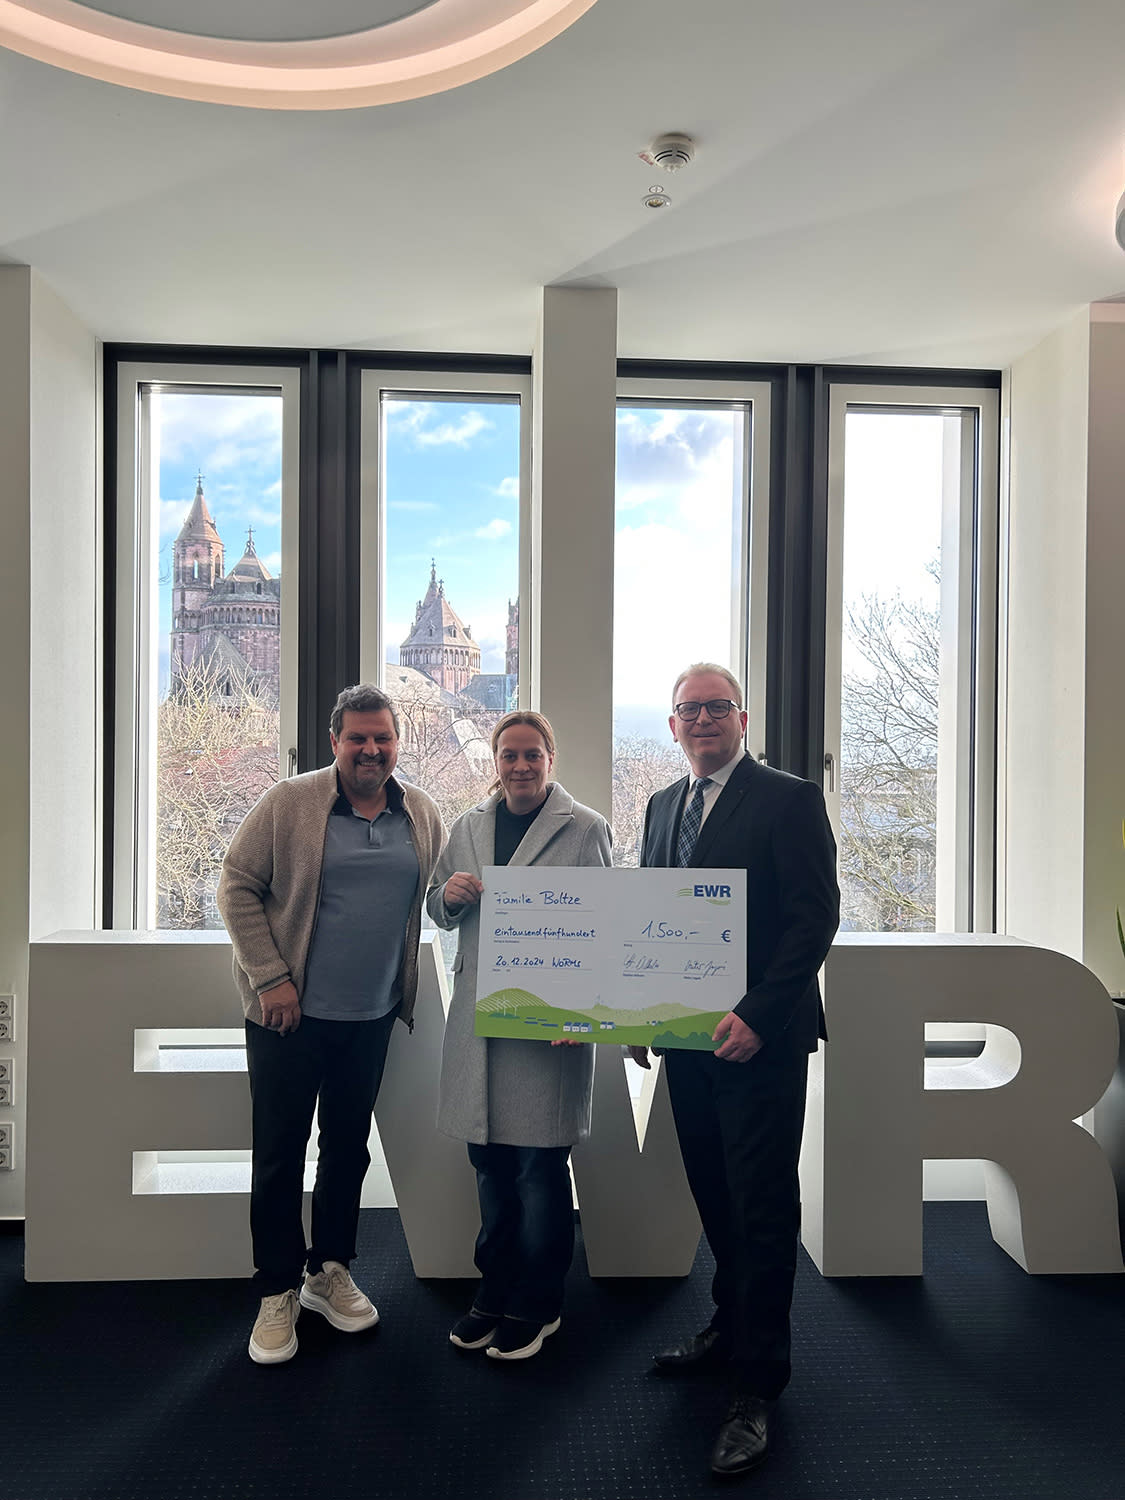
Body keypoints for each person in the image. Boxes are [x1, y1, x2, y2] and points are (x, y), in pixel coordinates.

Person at [632, 663, 839, 1477]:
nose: (702, 719)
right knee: (714, 1192)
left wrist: (758, 1014)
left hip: (760, 1042)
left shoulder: (788, 799)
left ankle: (757, 1384)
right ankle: (728, 1327)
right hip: (686, 1040)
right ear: (672, 725)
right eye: (688, 710)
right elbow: (650, 919)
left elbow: (812, 919)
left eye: (717, 706)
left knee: (761, 1206)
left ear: (741, 719)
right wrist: (639, 1017)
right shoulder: (660, 806)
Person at [217, 683, 444, 1365]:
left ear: (397, 742)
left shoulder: (421, 810)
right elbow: (235, 885)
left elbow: (434, 895)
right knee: (280, 1153)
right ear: (335, 741)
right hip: (287, 1017)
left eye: (383, 738)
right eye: (357, 738)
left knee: (347, 1148)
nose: (371, 749)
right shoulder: (289, 802)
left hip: (370, 1016)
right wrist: (271, 978)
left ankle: (329, 1271)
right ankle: (276, 1289)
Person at [426, 710, 612, 1361]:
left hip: (546, 1029)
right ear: (495, 761)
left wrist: (583, 1013)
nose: (521, 765)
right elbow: (436, 907)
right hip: (480, 1024)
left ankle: (538, 1302)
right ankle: (494, 1290)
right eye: (510, 754)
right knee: (489, 1168)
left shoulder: (584, 828)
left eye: (533, 754)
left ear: (550, 759)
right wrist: (449, 895)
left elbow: (607, 925)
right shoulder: (468, 827)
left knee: (537, 1171)